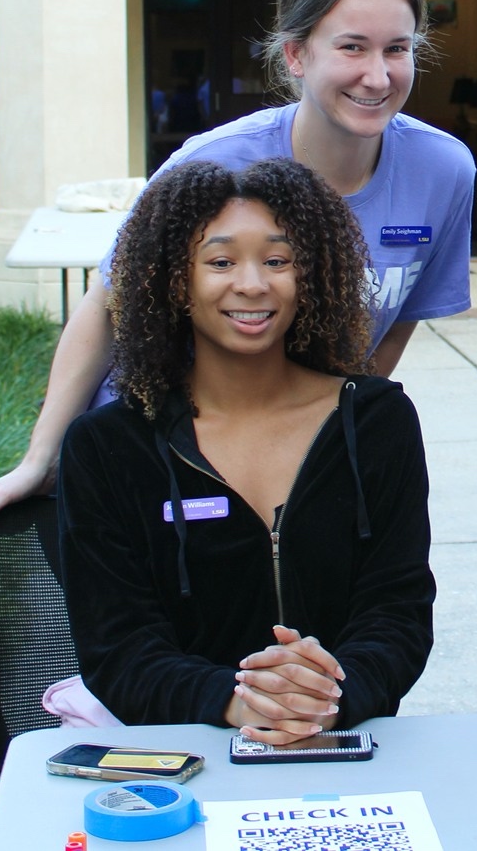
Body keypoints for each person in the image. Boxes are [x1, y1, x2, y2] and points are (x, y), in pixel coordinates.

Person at [0, 0, 475, 531]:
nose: (377, 75)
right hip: (166, 450)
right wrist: (43, 457)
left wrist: (335, 435)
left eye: (397, 49)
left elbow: (391, 327)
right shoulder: (212, 164)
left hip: (288, 454)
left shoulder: (443, 171)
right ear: (295, 55)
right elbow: (109, 305)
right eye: (351, 48)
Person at [55, 158, 434, 737]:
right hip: (182, 761)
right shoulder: (109, 448)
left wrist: (333, 697)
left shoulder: (377, 421)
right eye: (221, 261)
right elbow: (118, 648)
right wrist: (236, 703)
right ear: (173, 280)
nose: (253, 284)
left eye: (277, 260)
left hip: (343, 744)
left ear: (310, 274)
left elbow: (398, 611)